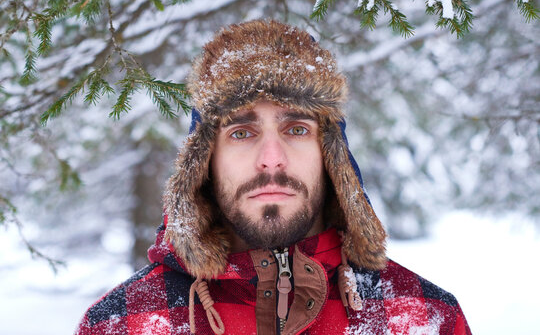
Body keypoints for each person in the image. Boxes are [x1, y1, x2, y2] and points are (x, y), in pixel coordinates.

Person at [75, 20, 471, 335]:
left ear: (332, 157)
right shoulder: (121, 324)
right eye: (241, 133)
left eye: (296, 129)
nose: (271, 160)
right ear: (204, 161)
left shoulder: (425, 319)